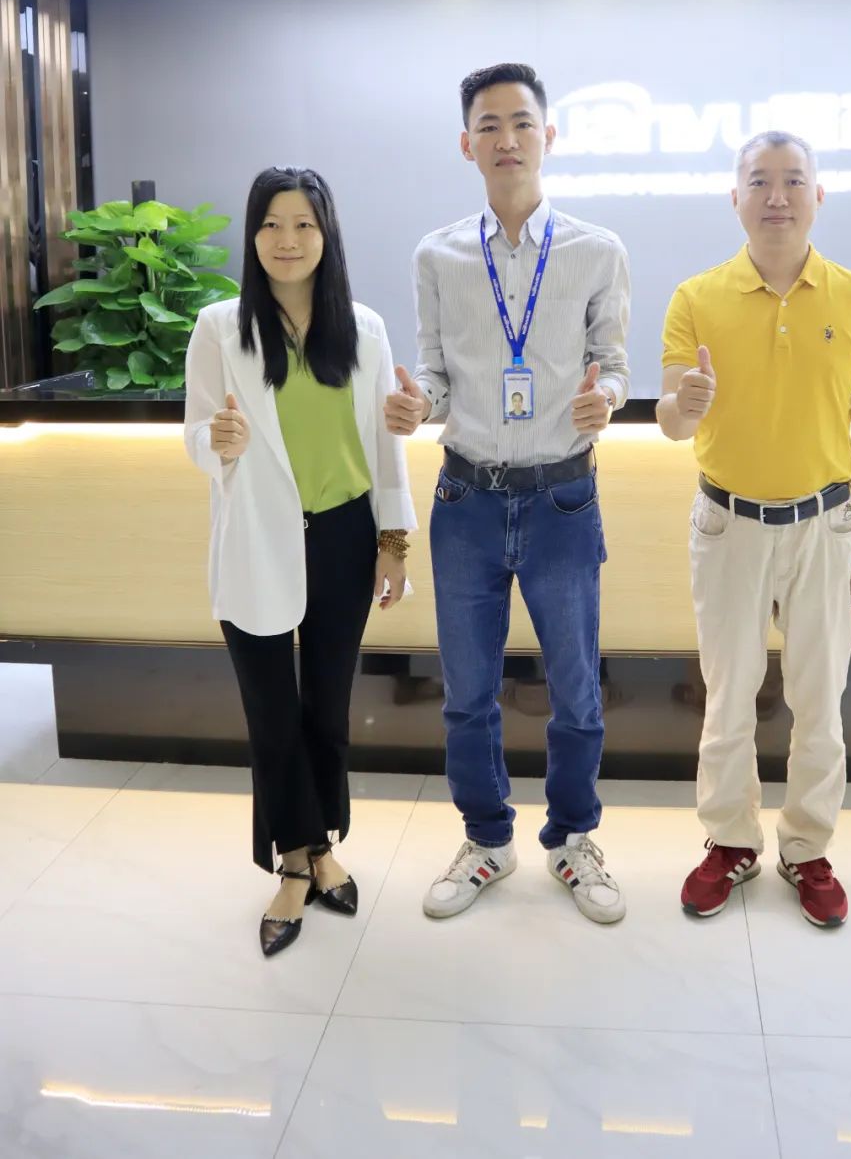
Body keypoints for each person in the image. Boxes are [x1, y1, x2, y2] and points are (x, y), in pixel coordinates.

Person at [385, 62, 631, 924]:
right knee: (466, 694)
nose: (506, 139)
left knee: (577, 692)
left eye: (521, 122)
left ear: (548, 135)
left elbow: (615, 365)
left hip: (563, 499)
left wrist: (608, 400)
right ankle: (487, 839)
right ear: (467, 144)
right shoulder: (438, 254)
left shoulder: (598, 250)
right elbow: (434, 377)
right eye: (488, 125)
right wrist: (417, 405)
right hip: (467, 501)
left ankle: (572, 840)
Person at [657, 131, 851, 929]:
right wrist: (684, 405)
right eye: (759, 180)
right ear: (735, 197)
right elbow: (670, 419)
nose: (776, 196)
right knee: (728, 695)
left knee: (819, 700)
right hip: (727, 524)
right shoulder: (696, 297)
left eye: (794, 180)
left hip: (824, 527)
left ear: (818, 196)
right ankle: (730, 841)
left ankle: (806, 847)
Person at [184, 166, 416, 957]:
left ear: (327, 235)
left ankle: (322, 846)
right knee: (271, 712)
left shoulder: (364, 328)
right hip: (257, 535)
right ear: (253, 235)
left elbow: (385, 443)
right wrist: (216, 442)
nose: (288, 241)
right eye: (272, 225)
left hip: (345, 535)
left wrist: (393, 542)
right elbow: (196, 432)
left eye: (304, 225)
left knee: (327, 704)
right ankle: (293, 860)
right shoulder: (220, 327)